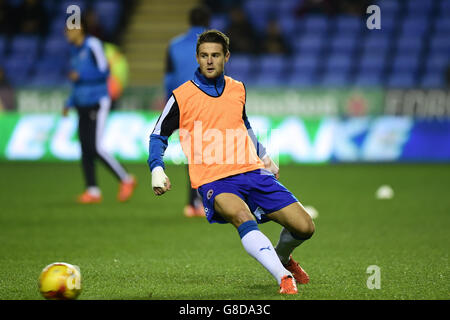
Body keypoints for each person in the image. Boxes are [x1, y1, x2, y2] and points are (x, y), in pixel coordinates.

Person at [148, 30, 315, 294]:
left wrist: (263, 154)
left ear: (226, 56)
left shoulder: (238, 88)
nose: (209, 61)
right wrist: (157, 168)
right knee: (241, 216)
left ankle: (282, 256)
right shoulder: (181, 96)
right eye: (204, 56)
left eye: (215, 55)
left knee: (305, 227)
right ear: (197, 58)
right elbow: (158, 134)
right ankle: (282, 276)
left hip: (251, 170)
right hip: (213, 179)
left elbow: (243, 123)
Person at [63, 19, 136, 204]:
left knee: (94, 146)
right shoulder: (74, 50)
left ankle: (126, 179)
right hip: (81, 102)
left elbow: (104, 71)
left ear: (80, 29)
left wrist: (82, 75)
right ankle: (92, 190)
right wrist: (69, 102)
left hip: (97, 100)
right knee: (85, 147)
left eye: (69, 29)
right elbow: (76, 81)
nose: (66, 33)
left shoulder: (93, 45)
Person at [164, 5, 211, 217]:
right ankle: (199, 202)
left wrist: (170, 104)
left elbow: (168, 78)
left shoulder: (173, 45)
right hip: (206, 102)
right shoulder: (212, 45)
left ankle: (194, 202)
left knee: (193, 154)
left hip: (181, 103)